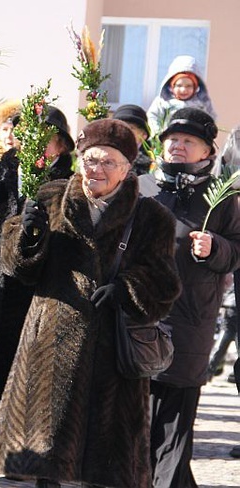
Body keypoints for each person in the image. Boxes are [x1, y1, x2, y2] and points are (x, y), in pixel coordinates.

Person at [0, 118, 182, 488]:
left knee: (103, 465)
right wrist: (26, 233)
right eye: (91, 159)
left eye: (109, 162)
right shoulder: (50, 198)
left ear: (127, 170)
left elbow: (165, 284)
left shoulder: (152, 218)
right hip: (50, 350)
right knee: (47, 461)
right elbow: (17, 269)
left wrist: (127, 288)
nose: (98, 169)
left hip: (112, 358)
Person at [139, 107, 240, 487]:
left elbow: (237, 249)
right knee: (141, 419)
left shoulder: (220, 197)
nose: (179, 147)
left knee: (175, 421)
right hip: (142, 318)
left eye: (189, 141)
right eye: (173, 140)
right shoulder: (144, 189)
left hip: (190, 320)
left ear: (205, 152)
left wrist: (215, 248)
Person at [0, 102, 75, 436]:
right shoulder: (0, 169)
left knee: (24, 364)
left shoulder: (69, 182)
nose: (34, 141)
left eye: (45, 136)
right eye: (28, 134)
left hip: (36, 285)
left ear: (61, 145)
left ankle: (15, 433)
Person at [146, 55, 216, 136]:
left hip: (193, 139)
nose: (183, 90)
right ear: (172, 86)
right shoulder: (164, 101)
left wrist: (207, 133)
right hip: (169, 138)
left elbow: (211, 118)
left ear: (195, 87)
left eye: (188, 86)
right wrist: (158, 133)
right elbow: (153, 116)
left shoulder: (202, 103)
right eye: (179, 85)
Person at [112, 103, 153, 175]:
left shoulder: (152, 163)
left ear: (144, 135)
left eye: (131, 128)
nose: (124, 131)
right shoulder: (103, 155)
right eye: (119, 127)